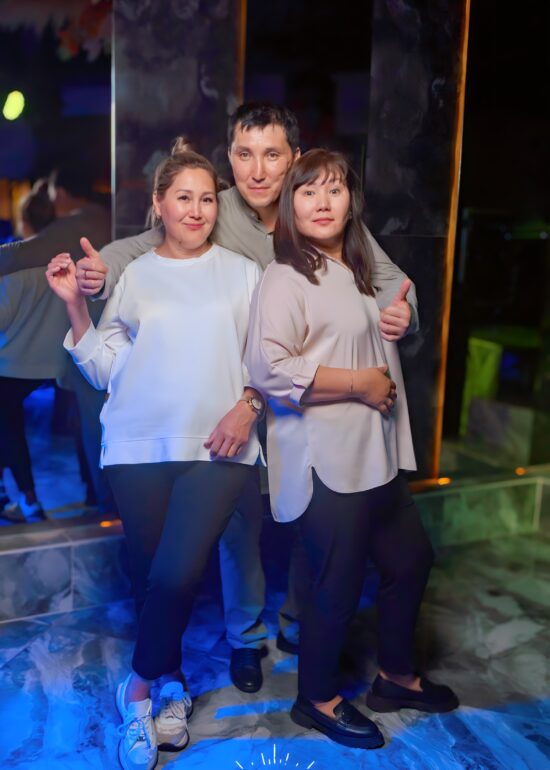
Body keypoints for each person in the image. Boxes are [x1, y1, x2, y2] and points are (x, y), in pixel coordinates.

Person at [6, 103, 419, 692]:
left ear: (294, 159)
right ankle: (243, 639)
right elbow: (144, 247)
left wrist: (401, 313)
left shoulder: (319, 205)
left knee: (313, 522)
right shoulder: (212, 207)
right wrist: (97, 276)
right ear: (230, 159)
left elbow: (388, 281)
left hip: (311, 397)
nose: (257, 170)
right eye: (245, 155)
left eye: (272, 155)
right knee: (239, 530)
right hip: (242, 400)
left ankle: (299, 627)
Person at [46, 147, 264, 770]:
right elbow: (105, 369)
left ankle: (136, 692)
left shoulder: (244, 273)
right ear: (159, 206)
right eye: (183, 197)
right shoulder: (137, 276)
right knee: (153, 579)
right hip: (137, 446)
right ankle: (171, 686)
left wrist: (249, 404)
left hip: (219, 448)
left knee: (175, 574)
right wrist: (74, 306)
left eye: (207, 198)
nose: (196, 210)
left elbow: (267, 357)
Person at [246, 149, 458, 751]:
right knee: (334, 587)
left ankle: (395, 676)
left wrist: (400, 318)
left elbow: (390, 314)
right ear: (290, 206)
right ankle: (315, 699)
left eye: (334, 190)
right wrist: (359, 383)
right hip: (327, 458)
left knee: (410, 561)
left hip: (378, 453)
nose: (322, 202)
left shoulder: (358, 267)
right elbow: (268, 367)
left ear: (350, 203)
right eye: (308, 191)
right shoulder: (285, 277)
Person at [0, 165, 115, 517]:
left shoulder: (78, 226)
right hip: (77, 342)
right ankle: (95, 501)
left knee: (94, 424)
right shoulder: (99, 221)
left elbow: (21, 253)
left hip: (84, 339)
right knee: (89, 422)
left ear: (61, 193)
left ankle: (105, 506)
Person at [0, 180, 58, 521]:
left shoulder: (14, 266)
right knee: (8, 419)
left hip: (14, 364)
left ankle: (27, 498)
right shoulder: (62, 259)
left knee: (7, 422)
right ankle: (22, 497)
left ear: (25, 222)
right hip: (48, 365)